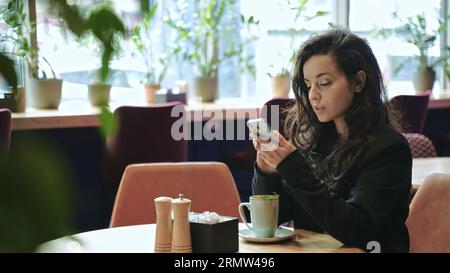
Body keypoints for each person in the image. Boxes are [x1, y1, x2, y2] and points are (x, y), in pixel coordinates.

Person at [251, 29, 412, 253]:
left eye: (324, 83)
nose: (313, 95)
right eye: (308, 85)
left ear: (358, 81)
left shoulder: (389, 149)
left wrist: (293, 167)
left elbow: (355, 229)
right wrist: (267, 173)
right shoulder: (314, 141)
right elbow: (277, 217)